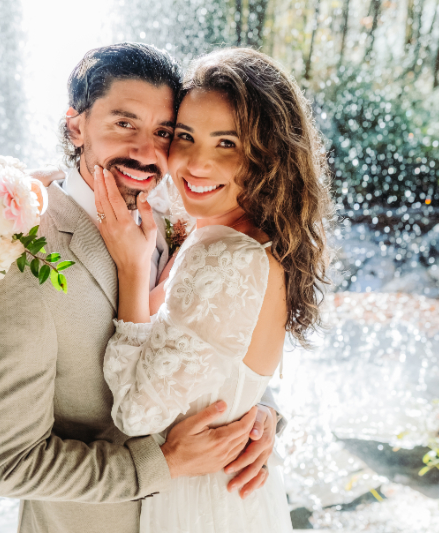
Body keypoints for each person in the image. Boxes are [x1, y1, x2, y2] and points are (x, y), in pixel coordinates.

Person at [0, 43, 284, 533]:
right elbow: (8, 465)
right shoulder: (15, 257)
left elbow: (213, 345)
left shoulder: (183, 215)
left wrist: (257, 414)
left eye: (162, 132)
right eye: (123, 124)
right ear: (76, 126)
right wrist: (164, 465)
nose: (145, 152)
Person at [94, 48, 334, 532]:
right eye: (185, 136)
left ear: (270, 154)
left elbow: (137, 414)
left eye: (227, 143)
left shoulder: (223, 255)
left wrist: (132, 273)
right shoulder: (248, 237)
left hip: (200, 502)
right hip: (230, 496)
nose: (196, 163)